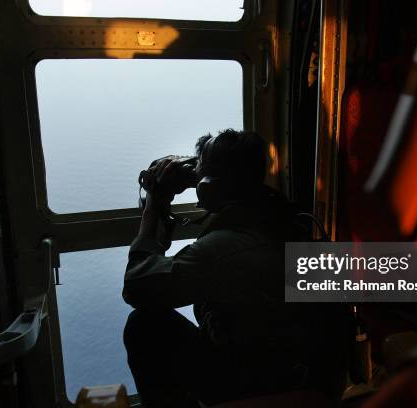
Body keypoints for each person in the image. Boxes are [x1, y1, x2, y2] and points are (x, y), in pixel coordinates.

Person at [123, 129, 351, 408]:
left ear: (208, 185)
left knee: (145, 328)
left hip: (263, 385)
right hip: (306, 375)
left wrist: (155, 205)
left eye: (200, 172)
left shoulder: (226, 249)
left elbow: (138, 287)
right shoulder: (276, 217)